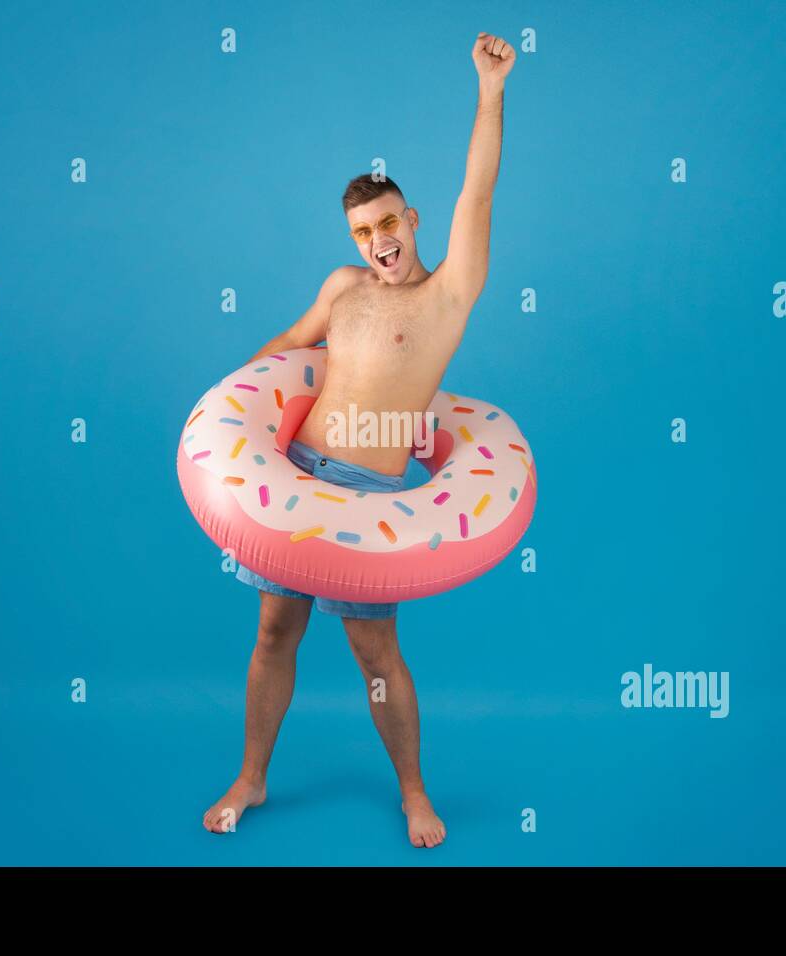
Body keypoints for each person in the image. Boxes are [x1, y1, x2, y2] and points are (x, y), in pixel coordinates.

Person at [203, 32, 516, 848]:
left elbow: (476, 195)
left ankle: (413, 791)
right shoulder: (344, 288)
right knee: (273, 631)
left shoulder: (449, 293)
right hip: (295, 471)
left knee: (377, 658)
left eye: (386, 222)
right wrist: (225, 417)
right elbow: (285, 350)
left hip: (371, 496)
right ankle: (252, 776)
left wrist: (489, 90)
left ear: (410, 220)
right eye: (360, 231)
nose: (376, 239)